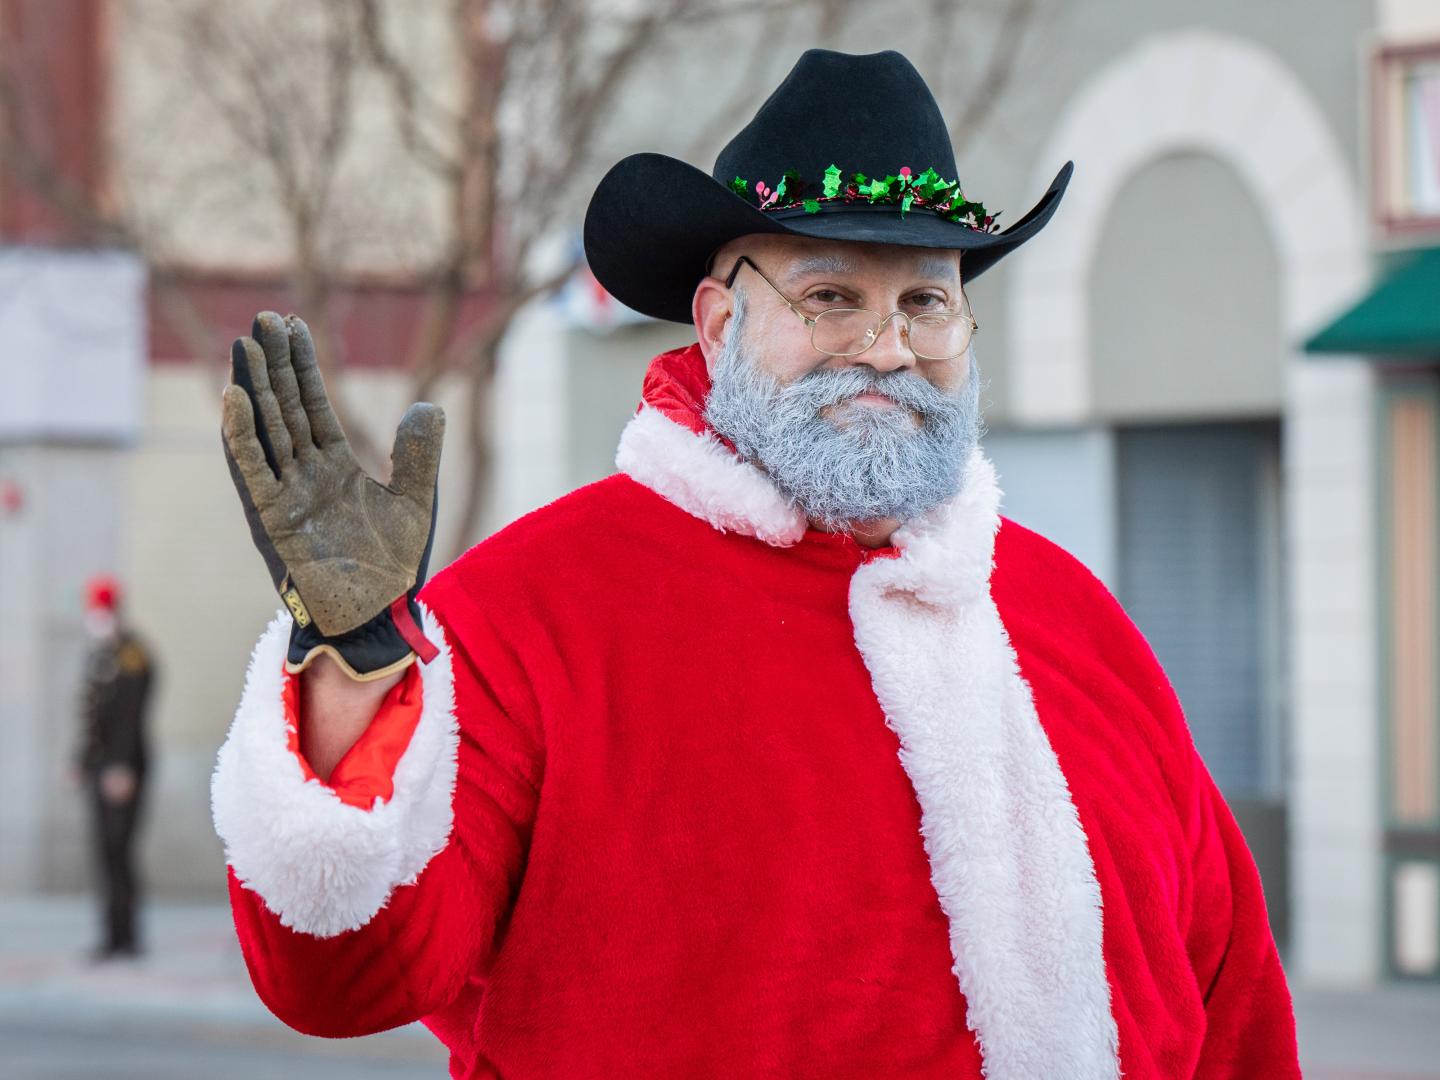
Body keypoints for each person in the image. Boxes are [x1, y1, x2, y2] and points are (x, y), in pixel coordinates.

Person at [212, 49, 1300, 1079]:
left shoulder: (1072, 618)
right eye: (830, 297)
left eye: (926, 300)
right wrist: (352, 660)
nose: (887, 345)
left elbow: (1234, 993)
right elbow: (342, 972)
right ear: (720, 319)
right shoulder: (529, 613)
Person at [75, 573, 154, 960]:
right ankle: (111, 935)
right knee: (104, 851)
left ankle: (128, 937)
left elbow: (130, 716)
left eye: (99, 611)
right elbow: (92, 715)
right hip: (99, 768)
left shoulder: (132, 655)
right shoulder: (100, 653)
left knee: (120, 849)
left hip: (124, 769)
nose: (94, 618)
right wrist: (79, 761)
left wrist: (121, 767)